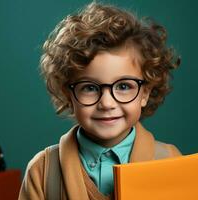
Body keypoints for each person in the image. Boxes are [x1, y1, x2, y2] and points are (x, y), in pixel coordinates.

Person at [19, 2, 182, 200]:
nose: (106, 103)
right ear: (69, 94)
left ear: (145, 93)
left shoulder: (171, 162)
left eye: (123, 86)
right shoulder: (43, 172)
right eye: (89, 88)